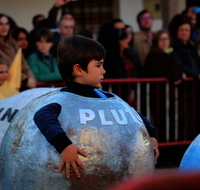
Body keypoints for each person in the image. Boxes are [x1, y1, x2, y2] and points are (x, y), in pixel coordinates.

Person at [33, 35, 159, 179]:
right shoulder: (64, 99)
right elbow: (42, 116)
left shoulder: (103, 96)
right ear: (78, 70)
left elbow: (135, 115)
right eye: (98, 66)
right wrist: (64, 146)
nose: (103, 71)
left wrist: (151, 135)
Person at [144, 29, 183, 142]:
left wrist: (178, 75)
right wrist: (175, 77)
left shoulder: (172, 53)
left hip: (171, 96)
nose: (164, 42)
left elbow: (179, 69)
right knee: (161, 124)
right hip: (158, 96)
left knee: (172, 124)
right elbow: (160, 71)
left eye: (166, 39)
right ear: (156, 41)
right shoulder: (153, 55)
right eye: (161, 39)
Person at [0, 14, 36, 90]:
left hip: (17, 87)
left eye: (6, 24)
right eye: (0, 24)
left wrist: (31, 78)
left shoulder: (13, 43)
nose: (4, 27)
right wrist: (25, 79)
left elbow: (24, 64)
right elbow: (6, 69)